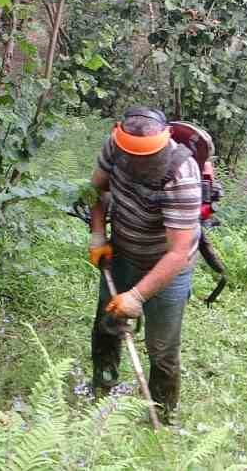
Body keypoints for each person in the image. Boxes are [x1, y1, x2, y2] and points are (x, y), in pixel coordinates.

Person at [86, 106, 204, 418]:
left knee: (161, 347)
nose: (140, 162)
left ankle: (162, 414)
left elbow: (178, 252)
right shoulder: (116, 146)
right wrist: (98, 234)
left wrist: (137, 296)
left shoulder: (182, 174)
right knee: (107, 324)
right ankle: (102, 389)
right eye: (133, 155)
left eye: (148, 156)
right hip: (122, 251)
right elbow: (95, 190)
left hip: (167, 267)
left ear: (165, 141)